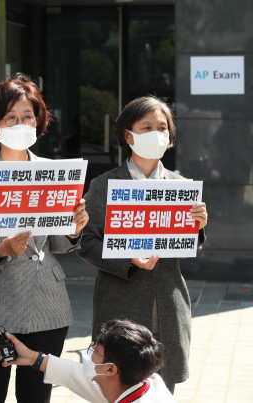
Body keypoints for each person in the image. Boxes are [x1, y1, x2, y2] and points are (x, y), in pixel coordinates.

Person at [0, 73, 89, 403]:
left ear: (39, 121)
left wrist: (73, 229)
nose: (21, 123)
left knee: (36, 398)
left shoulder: (53, 171)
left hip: (47, 304)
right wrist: (2, 248)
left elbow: (56, 244)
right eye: (10, 117)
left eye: (28, 116)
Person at [75, 96, 208, 393]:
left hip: (167, 306)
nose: (156, 134)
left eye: (162, 127)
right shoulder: (104, 185)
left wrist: (198, 226)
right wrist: (127, 260)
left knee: (163, 390)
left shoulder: (181, 186)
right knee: (117, 388)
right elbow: (84, 241)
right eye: (146, 127)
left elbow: (186, 243)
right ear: (128, 135)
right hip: (120, 304)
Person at [0, 319, 175, 403]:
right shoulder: (148, 383)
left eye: (95, 350)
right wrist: (33, 357)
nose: (89, 352)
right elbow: (75, 375)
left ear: (110, 370)